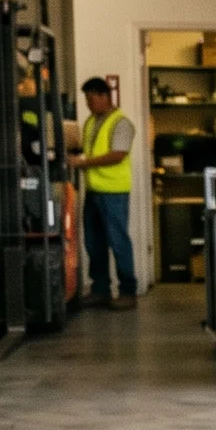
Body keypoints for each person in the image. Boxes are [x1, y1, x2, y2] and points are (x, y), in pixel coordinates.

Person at [69, 77, 137, 308]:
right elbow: (88, 149)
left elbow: (118, 154)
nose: (88, 104)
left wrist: (83, 163)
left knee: (118, 243)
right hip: (93, 192)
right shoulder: (90, 122)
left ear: (104, 96)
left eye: (90, 99)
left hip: (114, 193)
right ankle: (100, 289)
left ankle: (128, 292)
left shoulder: (121, 123)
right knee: (93, 243)